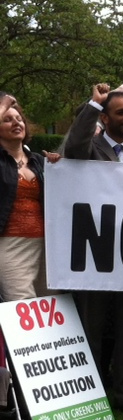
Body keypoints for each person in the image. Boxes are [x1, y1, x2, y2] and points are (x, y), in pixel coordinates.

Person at [63, 81, 123, 416]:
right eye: (122, 112)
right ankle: (88, 393)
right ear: (106, 117)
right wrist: (92, 103)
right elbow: (72, 145)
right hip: (94, 252)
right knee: (91, 327)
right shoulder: (87, 148)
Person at [0, 92, 61, 302]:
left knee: (50, 306)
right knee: (21, 306)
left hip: (46, 245)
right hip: (11, 246)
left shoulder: (37, 161)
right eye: (6, 119)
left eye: (18, 119)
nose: (16, 123)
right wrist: (4, 104)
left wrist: (58, 166)